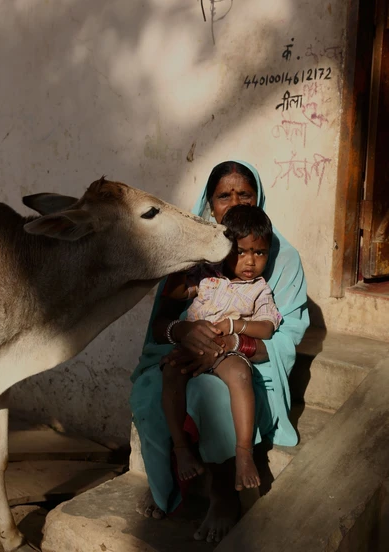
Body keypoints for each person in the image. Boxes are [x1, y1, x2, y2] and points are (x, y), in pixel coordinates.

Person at [130, 160, 309, 544]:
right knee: (149, 392)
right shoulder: (195, 256)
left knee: (210, 394)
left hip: (243, 360)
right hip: (186, 351)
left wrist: (229, 343)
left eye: (243, 194)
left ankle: (223, 495)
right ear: (208, 204)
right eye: (223, 196)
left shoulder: (278, 255)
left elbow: (284, 334)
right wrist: (184, 330)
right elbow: (161, 320)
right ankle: (169, 481)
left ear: (258, 198)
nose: (232, 203)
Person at [161, 204, 281, 491]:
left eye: (259, 252)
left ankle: (243, 453)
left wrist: (235, 326)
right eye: (241, 251)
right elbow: (175, 292)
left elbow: (266, 327)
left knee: (240, 374)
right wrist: (185, 257)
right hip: (193, 348)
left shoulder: (259, 289)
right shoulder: (207, 275)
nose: (250, 261)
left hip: (227, 353)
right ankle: (181, 449)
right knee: (171, 374)